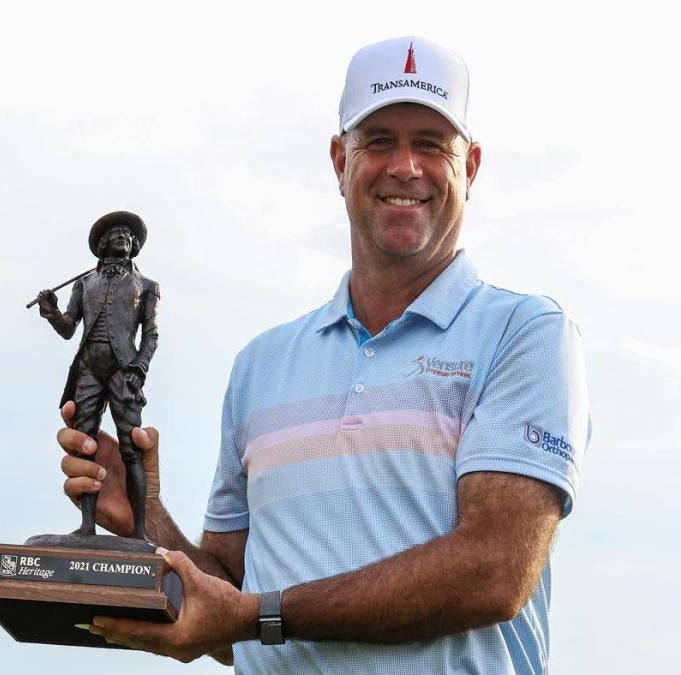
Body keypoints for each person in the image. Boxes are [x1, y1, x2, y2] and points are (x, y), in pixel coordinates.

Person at [56, 36, 589, 673]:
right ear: (340, 161)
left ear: (469, 167)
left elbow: (494, 571)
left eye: (430, 143)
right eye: (379, 140)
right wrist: (148, 520)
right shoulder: (261, 365)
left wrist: (259, 615)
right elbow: (225, 608)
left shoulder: (524, 332)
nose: (404, 167)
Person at [38, 211, 159, 542]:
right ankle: (87, 526)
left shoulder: (147, 286)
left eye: (128, 236)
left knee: (131, 448)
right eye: (115, 234)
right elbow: (67, 328)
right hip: (89, 369)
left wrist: (139, 367)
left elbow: (151, 335)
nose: (122, 238)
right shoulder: (84, 283)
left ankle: (139, 532)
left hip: (125, 371)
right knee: (85, 447)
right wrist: (51, 310)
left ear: (134, 247)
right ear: (103, 244)